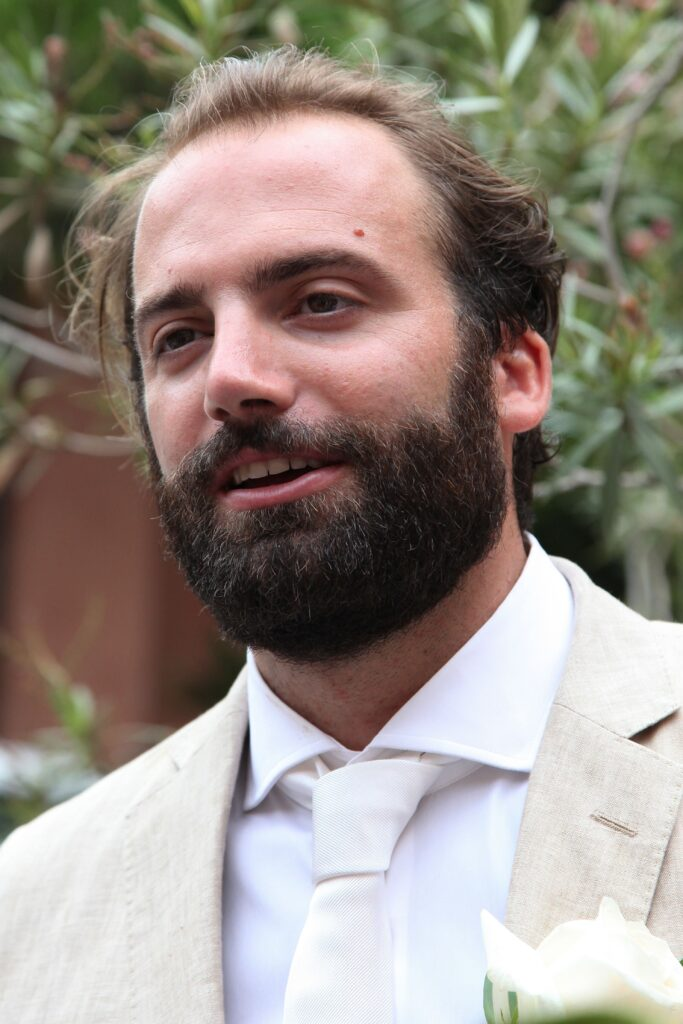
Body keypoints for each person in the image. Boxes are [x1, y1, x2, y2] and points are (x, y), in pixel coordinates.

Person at [1, 47, 682, 1024]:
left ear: (514, 370)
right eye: (179, 336)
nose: (233, 376)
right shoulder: (32, 905)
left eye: (320, 301)